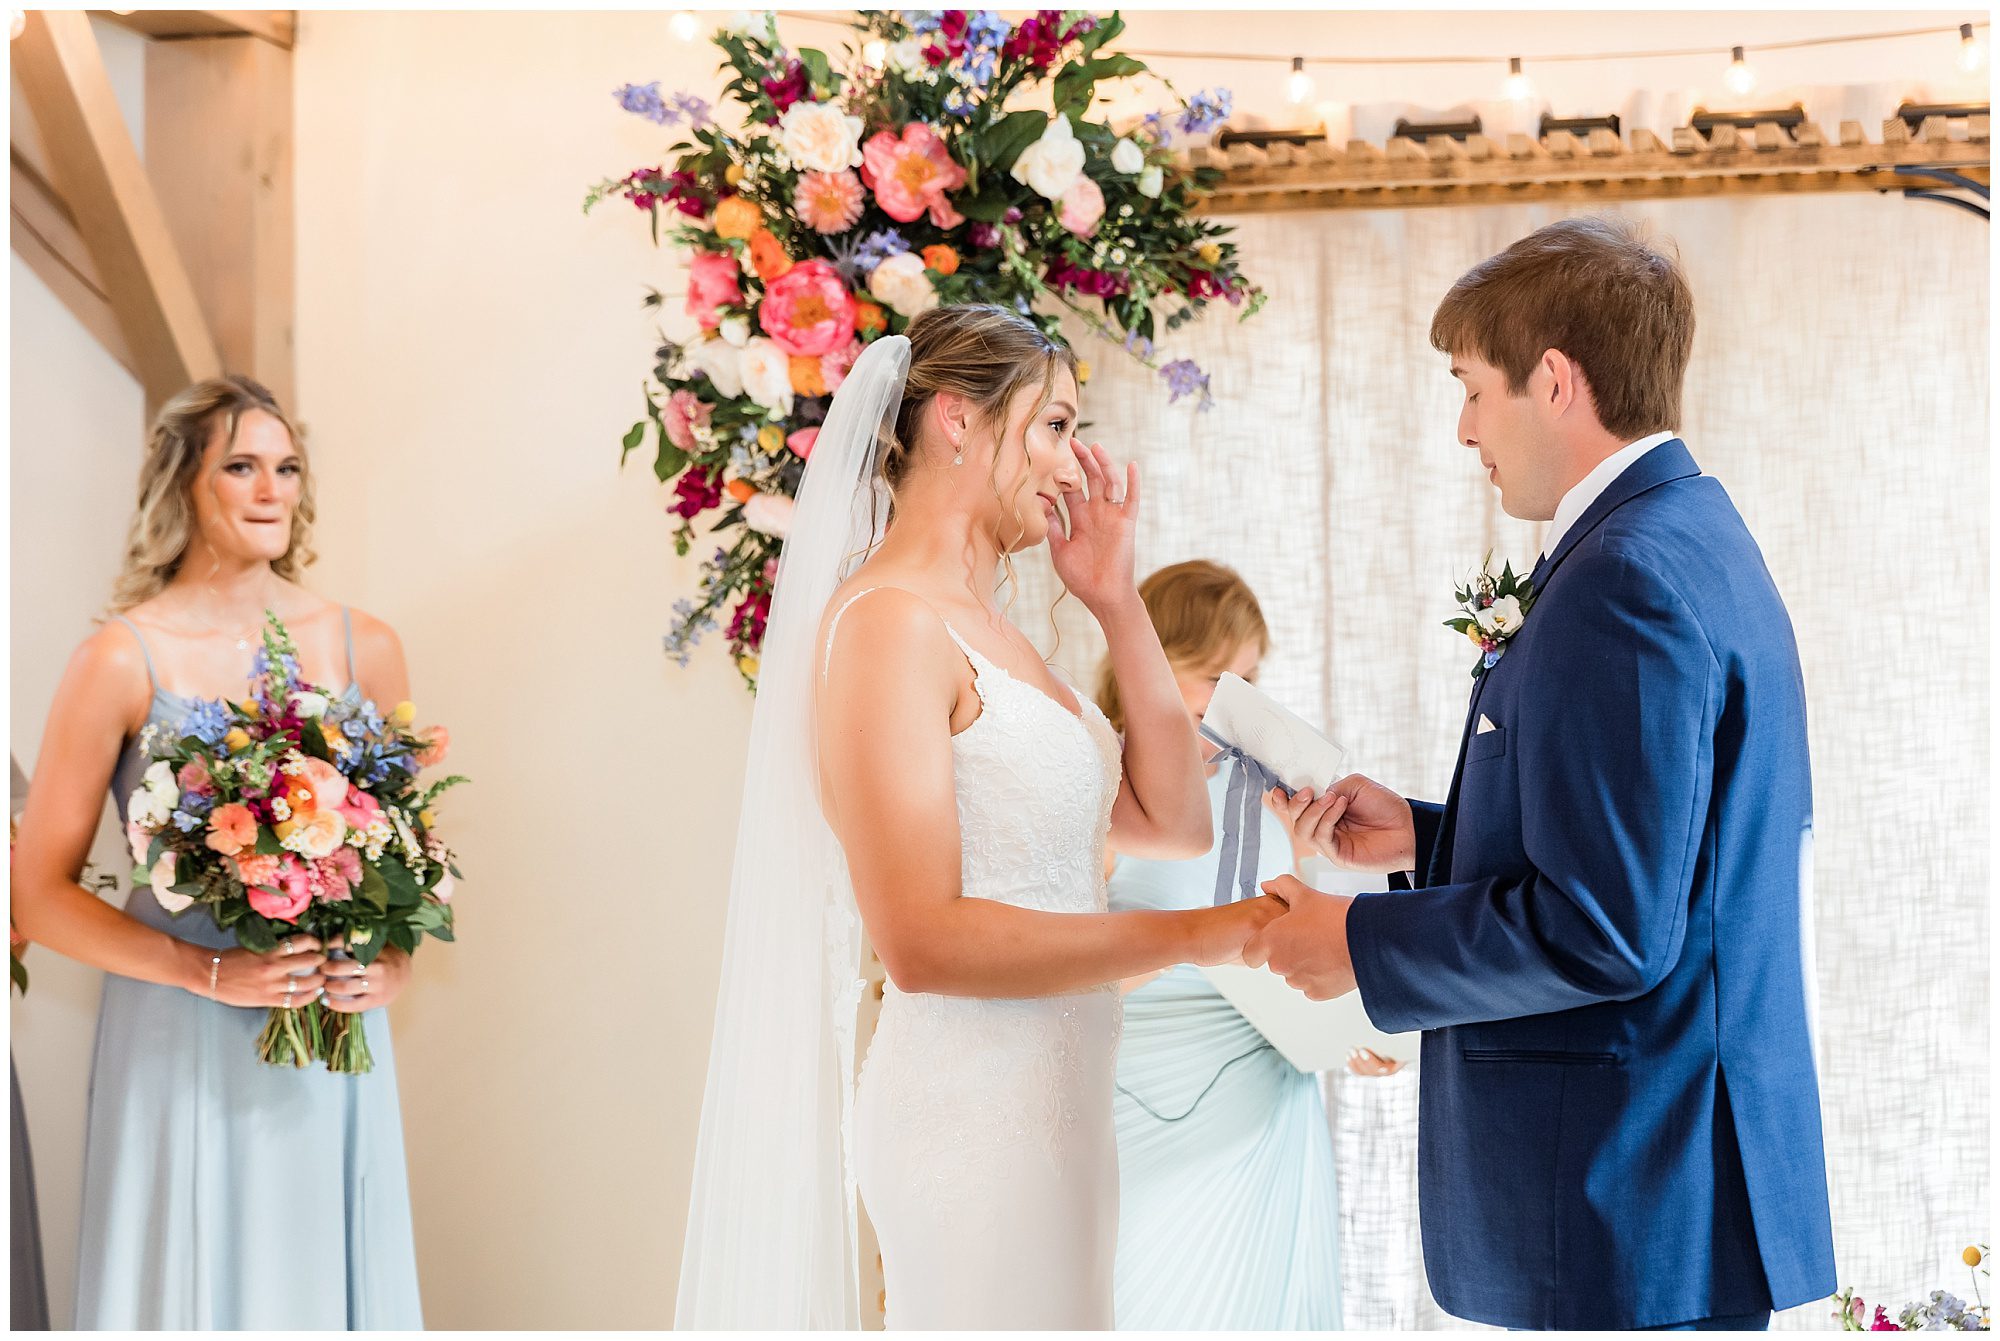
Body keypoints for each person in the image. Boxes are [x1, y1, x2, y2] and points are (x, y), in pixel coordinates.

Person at [1246, 216, 1837, 1331]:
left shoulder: (1623, 578)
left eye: (1471, 388)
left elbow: (1608, 927)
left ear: (1553, 381)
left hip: (1623, 1189)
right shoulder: (1686, 532)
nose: (1463, 428)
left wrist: (1352, 944)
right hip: (1654, 1186)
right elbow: (1664, 854)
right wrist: (1428, 838)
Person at [676, 305, 1286, 1329]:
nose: (1071, 460)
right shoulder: (885, 626)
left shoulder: (1000, 633)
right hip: (968, 1117)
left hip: (1063, 1112)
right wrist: (1201, 935)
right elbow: (919, 940)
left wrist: (1116, 601)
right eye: (1051, 425)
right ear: (955, 422)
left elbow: (1175, 820)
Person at [9, 375, 424, 1329]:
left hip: (330, 1041)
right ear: (184, 485)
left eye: (286, 467)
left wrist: (393, 963)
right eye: (241, 466)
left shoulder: (370, 646)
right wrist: (203, 969)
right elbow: (38, 892)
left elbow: (402, 860)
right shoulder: (121, 657)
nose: (271, 489)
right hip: (175, 1038)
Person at [1099, 559, 1348, 1329]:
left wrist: (1352, 1024)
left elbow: (1305, 939)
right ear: (1150, 663)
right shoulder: (1101, 783)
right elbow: (1061, 969)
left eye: (1251, 677)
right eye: (1216, 675)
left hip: (1269, 1110)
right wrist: (1194, 945)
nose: (1239, 703)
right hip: (1143, 1110)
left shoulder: (1276, 790)